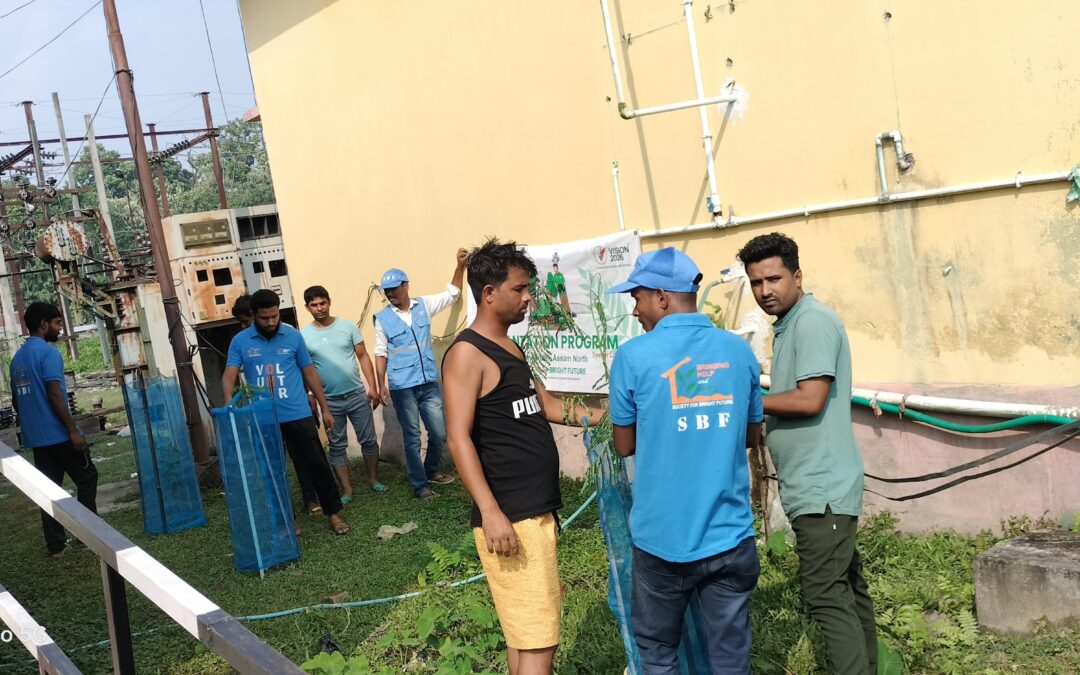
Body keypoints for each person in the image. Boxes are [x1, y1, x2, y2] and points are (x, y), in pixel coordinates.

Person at [442, 238, 602, 675]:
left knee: (526, 638)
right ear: (489, 293)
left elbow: (547, 404)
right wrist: (491, 513)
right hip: (511, 515)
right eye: (519, 288)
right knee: (538, 644)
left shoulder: (511, 347)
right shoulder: (466, 355)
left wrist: (607, 415)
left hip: (532, 510)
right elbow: (458, 439)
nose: (529, 297)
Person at [606, 248, 762, 674]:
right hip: (730, 537)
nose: (635, 310)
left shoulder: (634, 357)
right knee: (730, 655)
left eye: (636, 298)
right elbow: (750, 435)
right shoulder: (737, 352)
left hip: (662, 542)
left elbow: (624, 445)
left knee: (658, 652)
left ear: (661, 296)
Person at [738, 233, 876, 675]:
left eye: (774, 279)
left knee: (824, 595)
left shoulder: (813, 321)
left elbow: (810, 398)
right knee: (847, 591)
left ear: (797, 276)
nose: (766, 291)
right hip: (816, 486)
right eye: (757, 282)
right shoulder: (793, 324)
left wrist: (747, 403)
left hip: (825, 489)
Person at [222, 289, 350, 536]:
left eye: (274, 316)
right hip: (263, 419)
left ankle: (333, 514)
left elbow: (309, 372)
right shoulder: (241, 341)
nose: (270, 322)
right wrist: (228, 401)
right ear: (254, 316)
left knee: (317, 466)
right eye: (264, 318)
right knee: (273, 471)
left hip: (298, 414)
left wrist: (324, 408)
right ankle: (289, 521)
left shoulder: (293, 336)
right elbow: (230, 373)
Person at [374, 249, 467, 499]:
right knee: (412, 438)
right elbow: (380, 352)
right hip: (402, 387)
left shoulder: (423, 306)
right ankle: (420, 486)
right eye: (387, 290)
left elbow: (453, 294)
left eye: (394, 288)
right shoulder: (382, 319)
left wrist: (460, 266)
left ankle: (431, 470)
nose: (391, 293)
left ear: (406, 285)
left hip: (428, 383)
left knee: (439, 433)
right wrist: (379, 383)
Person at [10, 302, 98, 558]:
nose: (60, 329)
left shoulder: (17, 359)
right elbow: (55, 395)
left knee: (49, 491)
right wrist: (73, 430)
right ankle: (89, 535)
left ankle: (56, 546)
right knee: (87, 477)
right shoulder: (48, 354)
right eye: (57, 323)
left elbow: (17, 401)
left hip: (36, 439)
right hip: (59, 434)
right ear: (43, 324)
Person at [301, 285, 386, 499]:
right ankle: (347, 489)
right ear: (307, 307)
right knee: (337, 446)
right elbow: (304, 369)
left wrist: (373, 387)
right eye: (314, 305)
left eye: (322, 303)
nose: (319, 308)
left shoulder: (347, 326)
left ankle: (374, 479)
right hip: (328, 401)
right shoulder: (303, 336)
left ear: (329, 302)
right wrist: (310, 396)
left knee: (368, 439)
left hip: (357, 394)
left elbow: (363, 356)